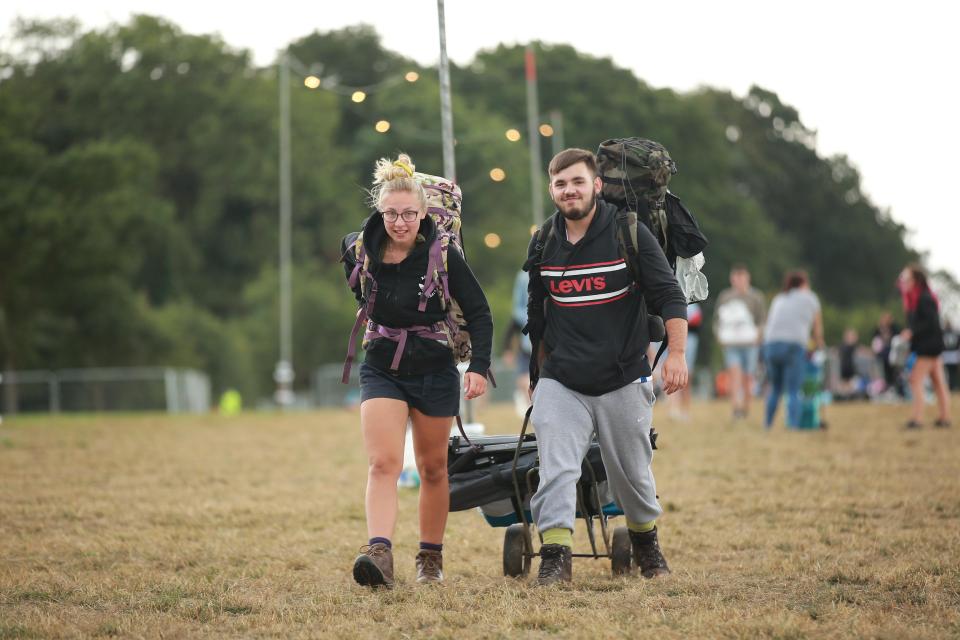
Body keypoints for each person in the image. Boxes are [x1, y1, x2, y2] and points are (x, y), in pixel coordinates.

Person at [524, 148, 688, 585]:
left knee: (631, 473)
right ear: (552, 190)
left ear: (596, 185)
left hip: (621, 376)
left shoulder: (626, 232)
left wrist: (677, 354)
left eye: (577, 181)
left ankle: (646, 544)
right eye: (560, 184)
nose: (569, 190)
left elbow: (670, 296)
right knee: (556, 467)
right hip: (563, 379)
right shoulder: (544, 241)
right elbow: (537, 316)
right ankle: (555, 555)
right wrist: (537, 378)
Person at [340, 153, 493, 588]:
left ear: (424, 213)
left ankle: (430, 558)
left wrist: (478, 366)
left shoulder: (444, 254)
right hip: (382, 366)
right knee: (383, 463)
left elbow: (480, 313)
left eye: (409, 213)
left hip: (434, 367)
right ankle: (379, 552)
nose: (400, 222)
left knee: (431, 469)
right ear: (379, 211)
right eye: (391, 213)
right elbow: (355, 282)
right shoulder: (360, 248)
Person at [762, 270, 824, 429]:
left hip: (771, 345)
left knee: (775, 388)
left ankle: (767, 424)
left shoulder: (779, 298)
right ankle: (794, 426)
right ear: (803, 284)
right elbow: (817, 330)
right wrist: (819, 345)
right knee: (793, 390)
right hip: (793, 346)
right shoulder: (810, 298)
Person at [898, 265, 951, 429]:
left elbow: (930, 323)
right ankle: (945, 417)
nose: (903, 282)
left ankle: (917, 419)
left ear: (915, 280)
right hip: (932, 346)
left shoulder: (924, 298)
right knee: (938, 383)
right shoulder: (917, 298)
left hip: (928, 347)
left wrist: (911, 332)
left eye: (906, 279)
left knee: (915, 380)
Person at [714, 265, 766, 420]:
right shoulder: (725, 296)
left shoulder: (756, 297)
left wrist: (759, 335)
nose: (738, 281)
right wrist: (719, 336)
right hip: (732, 344)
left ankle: (746, 407)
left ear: (747, 278)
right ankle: (736, 407)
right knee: (734, 375)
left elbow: (762, 319)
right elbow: (718, 320)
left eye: (741, 278)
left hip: (750, 344)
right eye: (736, 278)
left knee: (748, 377)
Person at [501, 269, 533, 415]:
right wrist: (507, 348)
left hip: (532, 341)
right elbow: (516, 317)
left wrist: (507, 348)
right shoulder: (524, 276)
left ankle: (534, 409)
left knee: (524, 379)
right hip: (529, 343)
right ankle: (534, 409)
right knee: (523, 379)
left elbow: (516, 314)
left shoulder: (523, 276)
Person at [871, 312, 903, 396]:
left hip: (893, 355)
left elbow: (898, 339)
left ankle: (896, 389)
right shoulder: (879, 329)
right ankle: (887, 388)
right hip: (883, 356)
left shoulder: (894, 328)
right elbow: (875, 341)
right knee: (885, 373)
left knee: (895, 373)